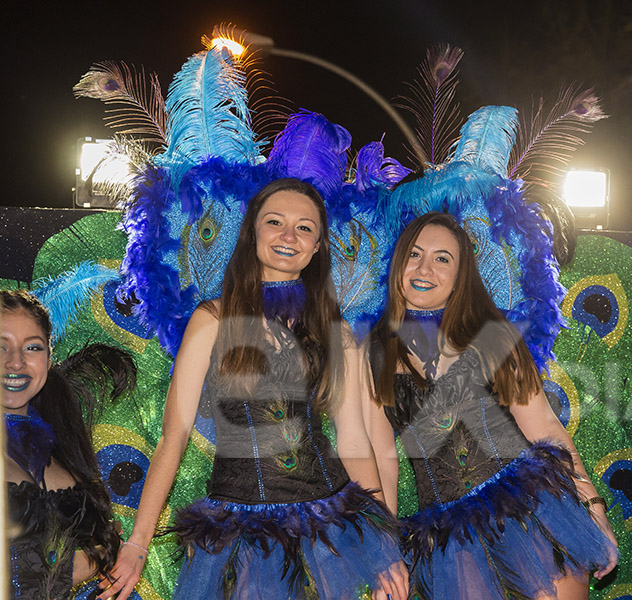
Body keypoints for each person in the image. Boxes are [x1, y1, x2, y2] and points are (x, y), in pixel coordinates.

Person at [100, 178, 406, 600]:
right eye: (275, 222)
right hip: (241, 529)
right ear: (253, 233)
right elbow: (175, 437)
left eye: (304, 228)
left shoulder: (335, 331)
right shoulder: (211, 319)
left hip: (331, 522)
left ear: (317, 246)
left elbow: (353, 440)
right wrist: (137, 544)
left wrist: (383, 548)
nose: (288, 236)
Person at [364, 211, 618, 600]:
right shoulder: (373, 352)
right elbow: (383, 460)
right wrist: (385, 555)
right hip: (454, 547)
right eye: (414, 254)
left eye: (442, 258)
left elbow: (546, 429)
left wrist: (595, 509)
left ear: (460, 275)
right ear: (399, 263)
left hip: (535, 516)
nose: (424, 268)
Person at [3, 289, 134, 598]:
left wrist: (103, 554)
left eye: (32, 347)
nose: (16, 362)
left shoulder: (61, 450)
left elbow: (51, 569)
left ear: (49, 357)